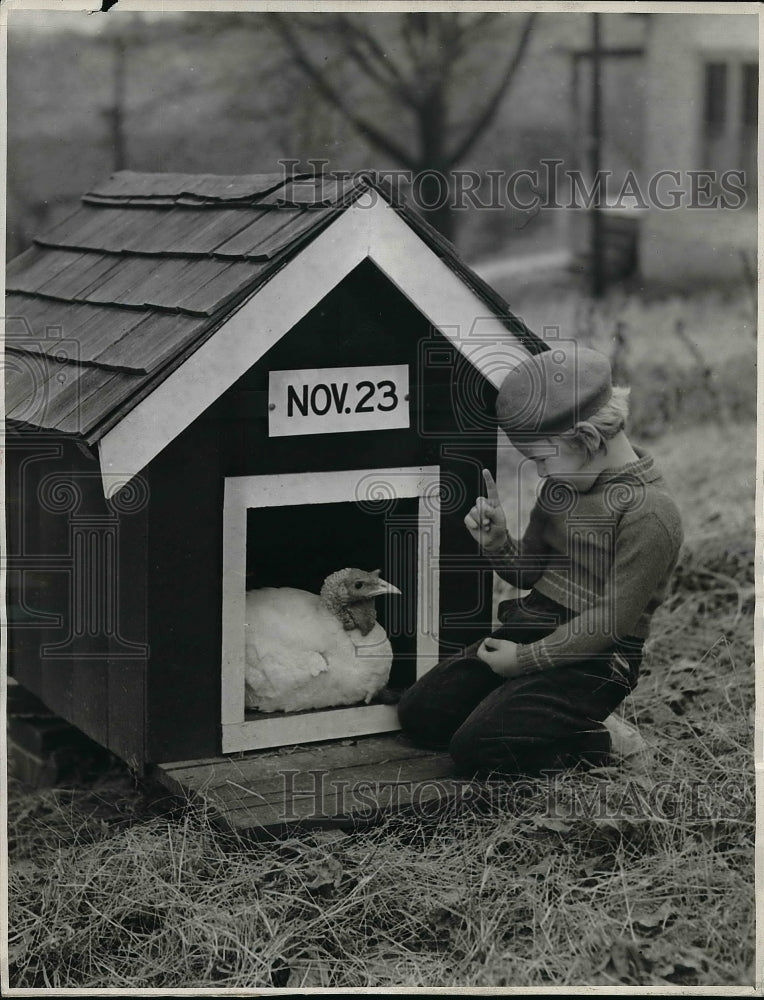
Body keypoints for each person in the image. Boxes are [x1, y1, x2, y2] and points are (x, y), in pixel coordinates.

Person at [398, 345, 683, 777]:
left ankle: (597, 740)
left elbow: (609, 622)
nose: (542, 474)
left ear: (587, 439)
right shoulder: (560, 489)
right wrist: (497, 542)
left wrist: (524, 661)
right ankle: (527, 712)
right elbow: (528, 571)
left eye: (543, 459)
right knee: (420, 713)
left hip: (597, 659)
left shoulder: (651, 514)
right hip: (533, 628)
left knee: (475, 749)